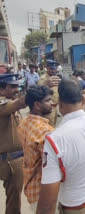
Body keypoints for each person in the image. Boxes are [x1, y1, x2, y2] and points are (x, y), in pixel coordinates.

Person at [36, 78, 85, 214]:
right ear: (83, 99)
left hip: (76, 208)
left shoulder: (53, 140)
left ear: (60, 104)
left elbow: (48, 202)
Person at [17, 85, 55, 212]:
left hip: (31, 184)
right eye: (48, 100)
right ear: (37, 105)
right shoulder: (44, 131)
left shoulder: (24, 122)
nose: (52, 103)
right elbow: (52, 164)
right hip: (43, 191)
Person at [0, 74, 26, 214]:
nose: (17, 89)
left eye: (18, 86)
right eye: (13, 87)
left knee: (14, 199)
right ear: (2, 89)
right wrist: (39, 91)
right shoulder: (3, 105)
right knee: (14, 202)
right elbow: (20, 103)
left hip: (15, 159)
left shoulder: (8, 103)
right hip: (10, 162)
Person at [37, 59, 61, 127]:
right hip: (47, 109)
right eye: (51, 69)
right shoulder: (43, 79)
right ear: (47, 68)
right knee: (48, 128)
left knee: (53, 126)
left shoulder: (55, 78)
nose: (53, 71)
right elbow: (38, 92)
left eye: (54, 69)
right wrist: (46, 85)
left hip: (55, 107)